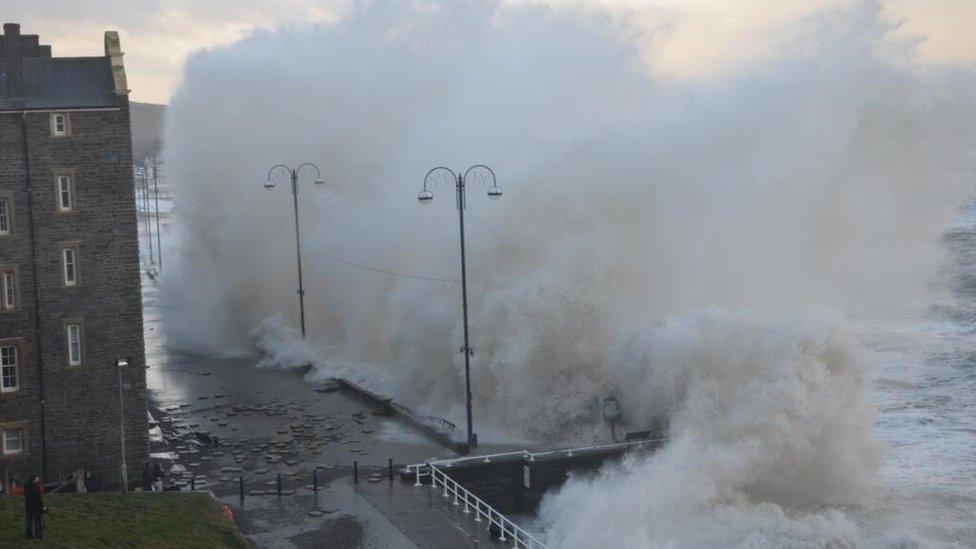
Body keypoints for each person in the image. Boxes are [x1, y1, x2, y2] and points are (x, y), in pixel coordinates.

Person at [24, 475, 44, 540]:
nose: (37, 479)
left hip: (28, 507)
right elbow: (38, 498)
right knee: (37, 522)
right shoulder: (35, 487)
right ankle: (38, 536)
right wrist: (41, 507)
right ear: (34, 479)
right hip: (36, 507)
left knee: (29, 522)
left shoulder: (26, 486)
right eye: (36, 478)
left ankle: (29, 536)